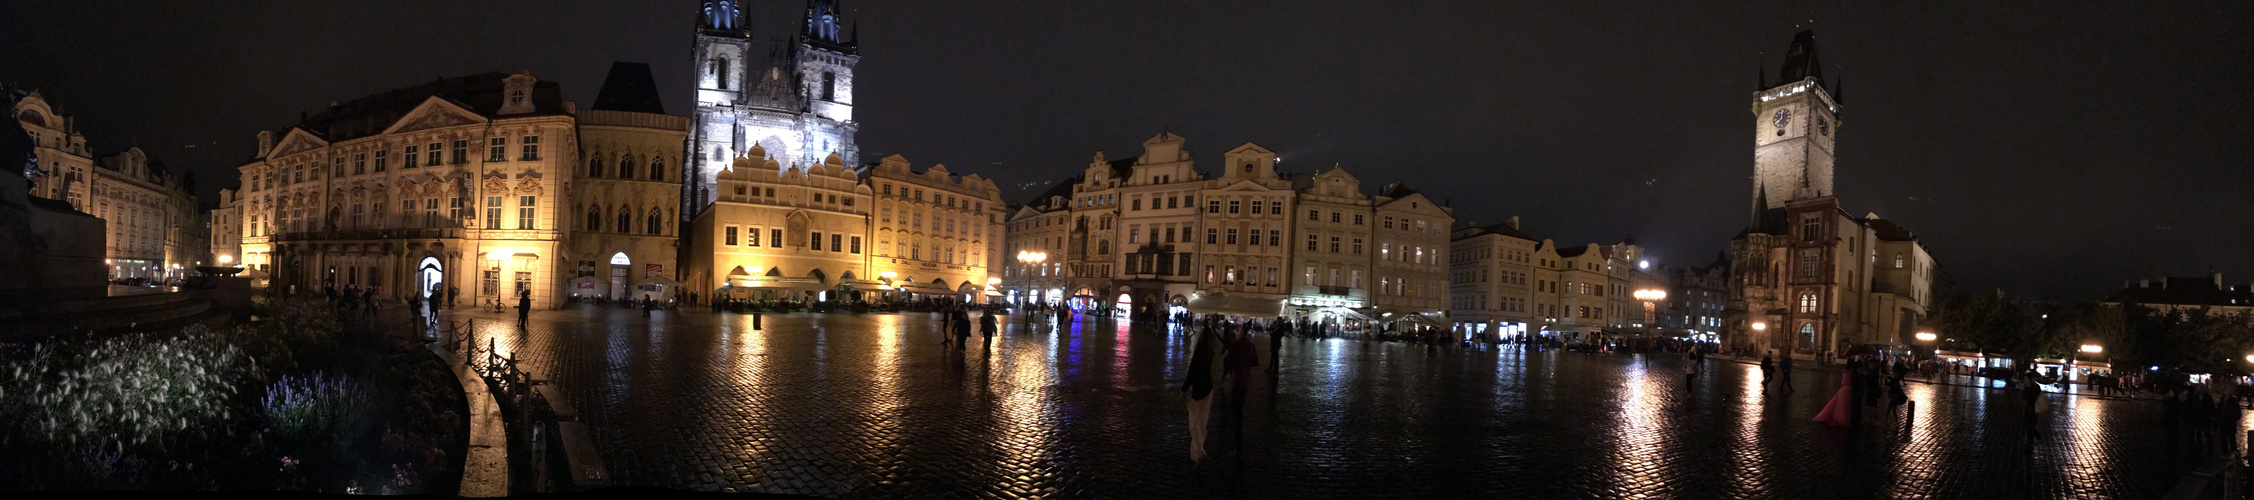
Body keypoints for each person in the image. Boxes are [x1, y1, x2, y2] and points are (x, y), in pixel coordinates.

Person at [1180, 327, 1220, 464]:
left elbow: (1191, 373)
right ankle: (1197, 456)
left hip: (1198, 391)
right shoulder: (1210, 352)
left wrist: (1183, 389)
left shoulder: (1199, 353)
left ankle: (1199, 451)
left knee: (1194, 424)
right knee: (1202, 424)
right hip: (1208, 390)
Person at [1221, 326, 1261, 458]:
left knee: (1235, 411)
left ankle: (1237, 446)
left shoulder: (1236, 345)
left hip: (1237, 379)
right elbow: (1255, 362)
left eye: (1238, 331)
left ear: (1242, 332)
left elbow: (1228, 360)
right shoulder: (1250, 345)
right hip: (1246, 380)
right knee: (1239, 407)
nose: (1236, 332)